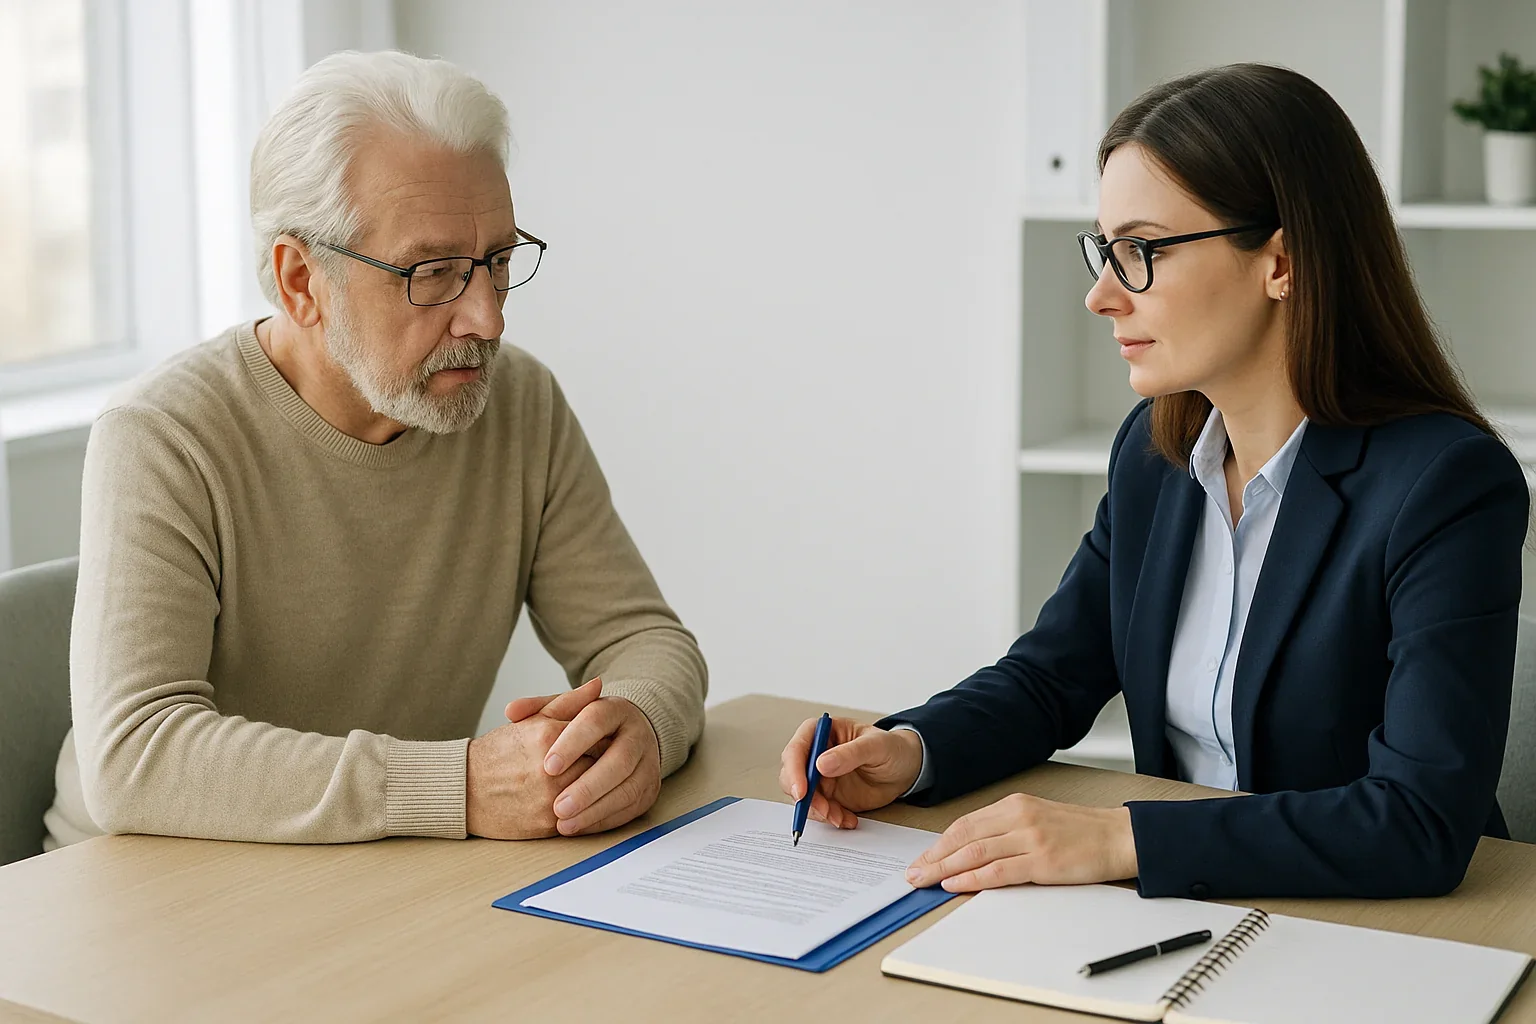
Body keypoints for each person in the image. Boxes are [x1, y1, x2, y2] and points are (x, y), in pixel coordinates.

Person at [779, 63, 1529, 900]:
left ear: (1280, 260)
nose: (1102, 296)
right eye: (1106, 251)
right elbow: (1049, 678)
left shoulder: (1446, 483)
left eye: (1141, 250)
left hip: (1374, 932)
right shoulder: (1156, 454)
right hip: (1179, 912)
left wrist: (1119, 837)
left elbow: (1419, 821)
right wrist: (911, 751)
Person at [45, 50, 707, 848]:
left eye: (498, 261)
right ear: (300, 282)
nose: (488, 319)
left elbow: (643, 640)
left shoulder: (518, 405)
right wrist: (456, 787)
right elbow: (135, 755)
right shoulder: (164, 436)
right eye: (433, 273)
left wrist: (636, 726)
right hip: (145, 899)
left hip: (378, 882)